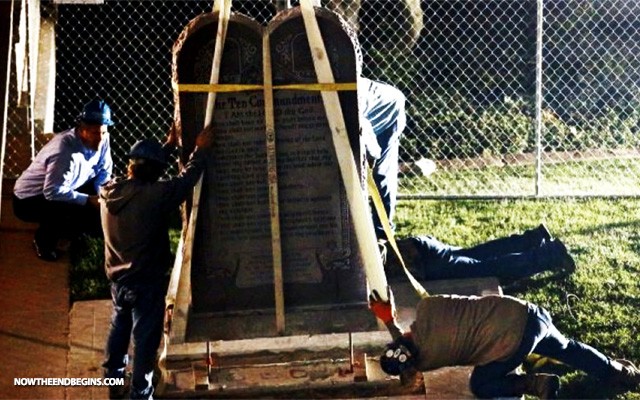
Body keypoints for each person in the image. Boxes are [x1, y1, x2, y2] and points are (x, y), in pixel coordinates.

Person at [100, 126, 212, 400]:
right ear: (152, 172)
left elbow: (147, 171)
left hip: (118, 281)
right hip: (146, 284)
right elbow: (186, 181)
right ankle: (141, 392)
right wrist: (201, 149)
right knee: (145, 341)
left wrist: (168, 146)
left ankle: (114, 383)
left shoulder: (110, 192)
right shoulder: (155, 196)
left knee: (119, 331)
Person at [369, 288, 640, 398]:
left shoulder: (429, 360)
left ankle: (535, 383)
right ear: (405, 336)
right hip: (530, 314)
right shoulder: (428, 305)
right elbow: (407, 344)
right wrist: (389, 319)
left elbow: (410, 367)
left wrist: (394, 333)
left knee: (480, 384)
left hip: (512, 344)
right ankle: (617, 371)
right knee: (567, 347)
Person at [12, 99, 114, 261]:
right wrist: (88, 200)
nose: (100, 139)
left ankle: (71, 231)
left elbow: (104, 170)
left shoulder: (103, 139)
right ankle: (43, 241)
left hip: (65, 186)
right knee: (65, 209)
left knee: (94, 216)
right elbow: (52, 192)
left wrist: (99, 194)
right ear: (82, 130)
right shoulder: (65, 151)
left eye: (103, 132)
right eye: (95, 133)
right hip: (28, 200)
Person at [383, 224, 576, 283]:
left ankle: (550, 255)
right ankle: (532, 239)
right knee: (476, 255)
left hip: (417, 264)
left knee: (486, 270)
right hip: (416, 248)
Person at [359, 77, 406, 239]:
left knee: (380, 174)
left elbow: (372, 153)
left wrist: (371, 156)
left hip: (390, 110)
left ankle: (383, 237)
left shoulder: (356, 102)